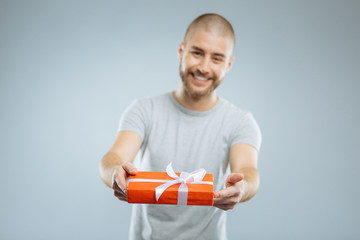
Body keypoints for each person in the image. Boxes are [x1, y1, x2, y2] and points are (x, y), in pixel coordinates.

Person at [99, 13, 262, 240]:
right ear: (181, 51)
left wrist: (242, 188)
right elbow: (112, 158)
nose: (204, 67)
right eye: (197, 53)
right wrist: (114, 173)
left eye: (217, 58)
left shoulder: (240, 122)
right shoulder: (145, 110)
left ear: (229, 64)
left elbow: (249, 172)